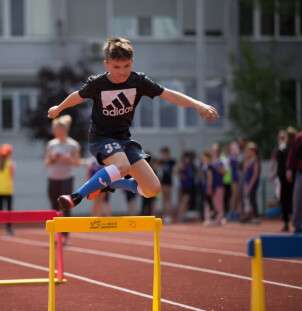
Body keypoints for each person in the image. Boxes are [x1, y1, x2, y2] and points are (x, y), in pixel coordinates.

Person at [47, 37, 218, 210]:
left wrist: (198, 105)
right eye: (116, 67)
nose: (122, 72)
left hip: (124, 141)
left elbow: (168, 94)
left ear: (132, 62)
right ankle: (76, 196)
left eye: (126, 66)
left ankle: (112, 183)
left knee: (152, 189)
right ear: (106, 64)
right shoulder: (98, 84)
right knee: (122, 165)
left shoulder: (138, 81)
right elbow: (77, 96)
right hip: (101, 139)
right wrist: (59, 108)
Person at [45, 115, 81, 243]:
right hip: (53, 178)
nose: (54, 131)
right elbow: (47, 162)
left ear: (63, 129)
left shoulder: (73, 145)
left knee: (66, 206)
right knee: (54, 207)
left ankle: (65, 235)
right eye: (54, 129)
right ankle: (55, 234)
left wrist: (68, 159)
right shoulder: (51, 144)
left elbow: (77, 163)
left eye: (56, 128)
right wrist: (54, 158)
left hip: (67, 178)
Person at [273, 128, 296, 232]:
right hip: (282, 178)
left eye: (284, 137)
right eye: (280, 137)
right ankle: (286, 222)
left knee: (293, 199)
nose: (282, 139)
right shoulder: (279, 148)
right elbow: (276, 159)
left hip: (291, 178)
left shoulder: (291, 147)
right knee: (283, 200)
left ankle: (295, 221)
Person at [287, 130, 302, 234]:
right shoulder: (299, 137)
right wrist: (289, 169)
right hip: (301, 172)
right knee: (297, 199)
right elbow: (292, 153)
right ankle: (297, 225)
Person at [242, 142, 261, 223]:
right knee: (247, 199)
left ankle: (256, 216)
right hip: (247, 181)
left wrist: (251, 184)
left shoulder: (256, 160)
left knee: (252, 198)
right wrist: (246, 160)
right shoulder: (248, 160)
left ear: (253, 151)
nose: (247, 152)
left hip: (252, 182)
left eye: (249, 150)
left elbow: (255, 174)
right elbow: (244, 171)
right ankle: (248, 216)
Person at [158, 146, 176, 222]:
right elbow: (158, 171)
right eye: (162, 154)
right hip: (162, 182)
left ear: (167, 154)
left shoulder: (171, 161)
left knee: (169, 200)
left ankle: (169, 216)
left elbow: (175, 171)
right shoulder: (160, 162)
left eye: (163, 154)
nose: (162, 156)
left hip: (169, 182)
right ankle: (165, 215)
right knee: (164, 200)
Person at [210, 143, 225, 225]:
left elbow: (224, 172)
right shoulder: (211, 161)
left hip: (219, 185)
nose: (212, 151)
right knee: (214, 202)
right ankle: (218, 218)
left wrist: (216, 168)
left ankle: (219, 218)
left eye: (214, 150)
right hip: (213, 185)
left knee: (218, 202)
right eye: (212, 150)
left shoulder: (220, 162)